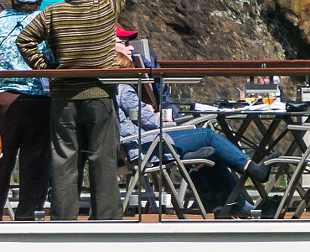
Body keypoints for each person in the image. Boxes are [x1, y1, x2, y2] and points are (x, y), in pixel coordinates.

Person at [15, 0, 140, 221]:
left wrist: (47, 69)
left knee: (65, 162)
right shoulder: (107, 5)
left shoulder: (54, 13)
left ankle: (63, 223)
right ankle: (107, 222)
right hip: (100, 95)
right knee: (102, 160)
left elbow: (24, 40)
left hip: (64, 97)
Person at [113, 29, 267, 215]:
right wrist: (159, 116)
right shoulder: (123, 87)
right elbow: (145, 118)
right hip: (147, 145)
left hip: (144, 142)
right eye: (125, 43)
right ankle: (250, 168)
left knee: (208, 154)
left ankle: (226, 205)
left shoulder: (113, 86)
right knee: (208, 136)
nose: (131, 48)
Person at [0, 0, 52, 221]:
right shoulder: (46, 21)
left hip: (2, 98)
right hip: (38, 98)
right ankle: (28, 214)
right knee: (35, 162)